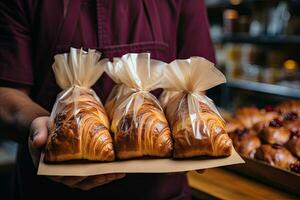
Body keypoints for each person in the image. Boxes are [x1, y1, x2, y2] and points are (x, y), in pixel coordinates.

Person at [0, 0, 215, 199]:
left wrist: (195, 131)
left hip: (160, 191)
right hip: (49, 189)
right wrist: (39, 127)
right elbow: (7, 90)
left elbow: (195, 78)